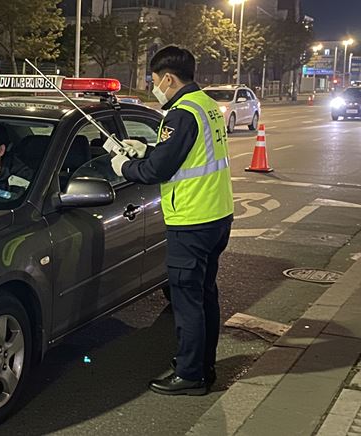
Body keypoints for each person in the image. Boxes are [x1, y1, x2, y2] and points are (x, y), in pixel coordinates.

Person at [110, 45, 234, 396]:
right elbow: (181, 156)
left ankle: (190, 374)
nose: (153, 87)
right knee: (205, 294)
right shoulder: (206, 106)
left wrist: (125, 166)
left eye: (153, 80)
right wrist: (143, 148)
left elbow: (157, 171)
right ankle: (204, 367)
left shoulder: (180, 114)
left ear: (168, 78)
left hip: (192, 219)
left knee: (187, 301)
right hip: (217, 215)